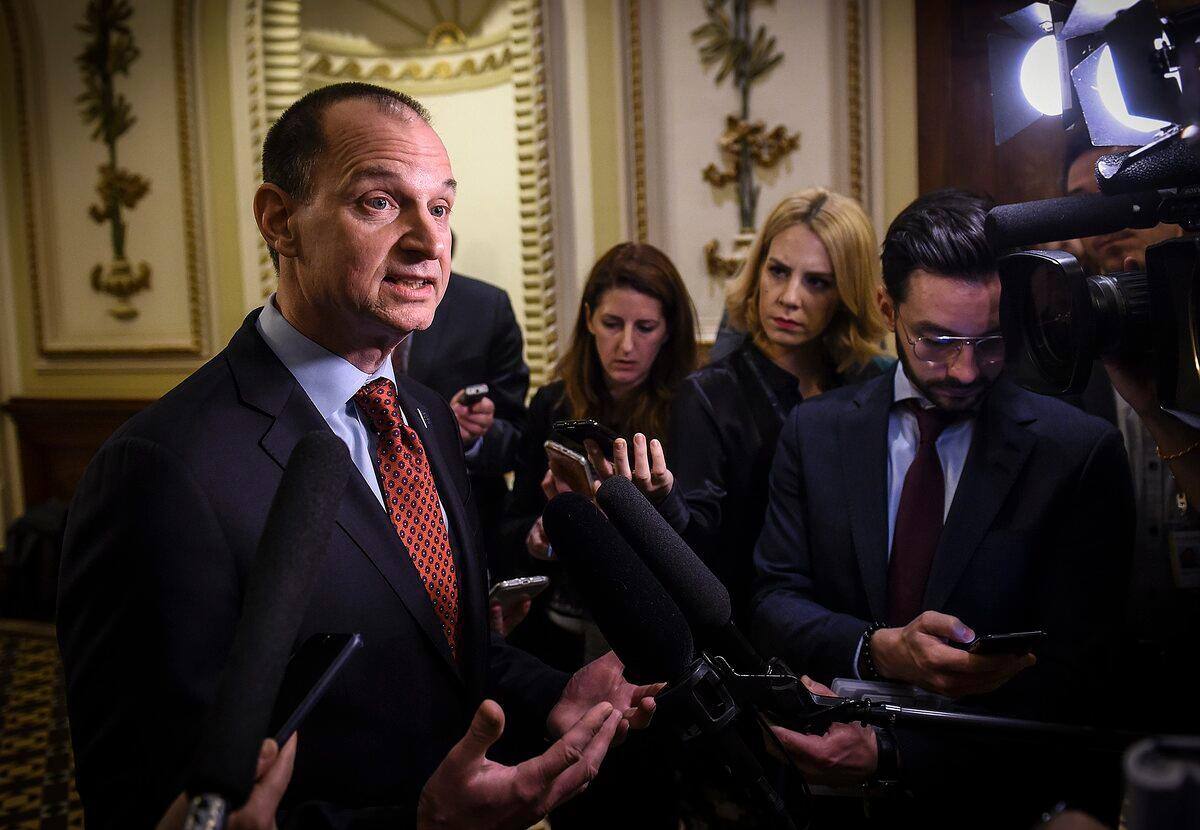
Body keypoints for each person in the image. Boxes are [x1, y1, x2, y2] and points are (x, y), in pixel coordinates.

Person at [57, 82, 660, 829]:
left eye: (440, 208)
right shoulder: (159, 470)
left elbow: (438, 644)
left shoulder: (425, 416)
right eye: (380, 202)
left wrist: (551, 693)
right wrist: (420, 826)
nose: (429, 242)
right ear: (280, 221)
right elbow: (147, 804)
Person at [751, 189, 1135, 826]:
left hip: (993, 801)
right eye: (935, 341)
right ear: (887, 308)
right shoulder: (815, 432)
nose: (964, 371)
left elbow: (1083, 677)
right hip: (826, 802)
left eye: (990, 342)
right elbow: (773, 600)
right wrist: (877, 649)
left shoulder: (1075, 453)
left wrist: (897, 754)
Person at [648, 188, 891, 625]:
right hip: (748, 630)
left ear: (846, 291)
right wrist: (663, 502)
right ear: (758, 270)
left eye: (817, 282)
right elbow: (698, 554)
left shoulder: (871, 383)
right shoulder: (709, 395)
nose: (789, 297)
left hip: (857, 630)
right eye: (778, 271)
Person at [505, 241, 698, 667]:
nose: (626, 345)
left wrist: (656, 503)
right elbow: (512, 522)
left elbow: (703, 545)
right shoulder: (553, 403)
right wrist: (540, 537)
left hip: (655, 635)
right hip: (556, 630)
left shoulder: (691, 409)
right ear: (590, 318)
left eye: (645, 328)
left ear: (668, 329)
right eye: (612, 323)